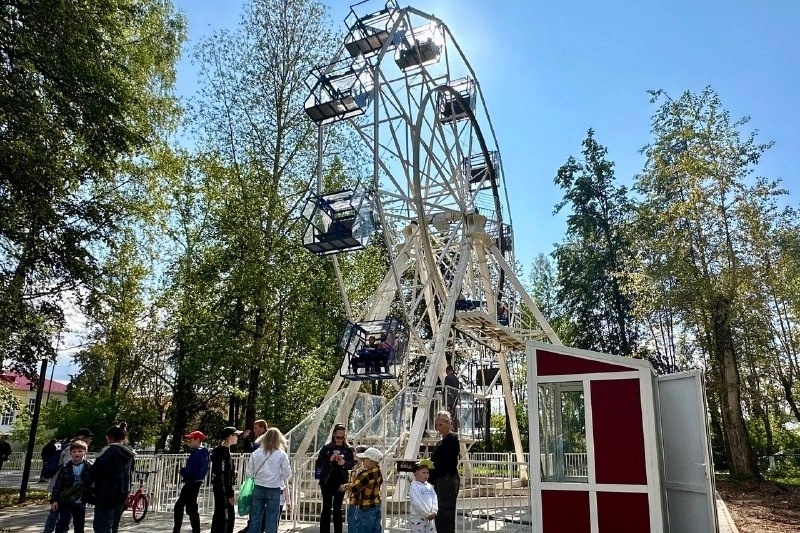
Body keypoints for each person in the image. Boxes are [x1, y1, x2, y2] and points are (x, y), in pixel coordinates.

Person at [44, 428, 94, 533]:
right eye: (74, 452)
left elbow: (92, 483)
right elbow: (58, 484)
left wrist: (92, 497)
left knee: (79, 525)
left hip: (79, 501)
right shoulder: (66, 466)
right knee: (62, 522)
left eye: (80, 451)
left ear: (85, 452)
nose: (77, 454)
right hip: (65, 499)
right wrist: (54, 499)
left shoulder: (88, 466)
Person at [91, 422, 135, 533]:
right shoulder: (128, 453)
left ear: (109, 437)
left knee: (102, 523)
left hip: (106, 491)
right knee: (114, 522)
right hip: (123, 490)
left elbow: (96, 470)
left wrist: (87, 483)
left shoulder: (108, 451)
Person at [246, 427, 292, 533]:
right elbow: (287, 473)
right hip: (274, 488)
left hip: (258, 487)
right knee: (272, 518)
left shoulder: (256, 453)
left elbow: (249, 473)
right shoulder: (281, 454)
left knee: (255, 518)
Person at [314, 423, 355, 533]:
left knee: (337, 508)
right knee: (326, 508)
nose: (339, 440)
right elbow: (319, 462)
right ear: (333, 435)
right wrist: (330, 460)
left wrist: (344, 463)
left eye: (342, 438)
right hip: (327, 482)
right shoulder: (327, 448)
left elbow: (353, 463)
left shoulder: (347, 449)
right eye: (337, 437)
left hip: (340, 482)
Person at [339, 447, 383, 533]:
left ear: (370, 461)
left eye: (364, 459)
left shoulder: (366, 474)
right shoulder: (378, 472)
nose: (362, 461)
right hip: (375, 506)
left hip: (365, 508)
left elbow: (355, 487)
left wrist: (344, 487)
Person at [173, 430, 210, 533]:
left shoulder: (198, 452)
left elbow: (192, 469)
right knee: (191, 508)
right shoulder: (203, 452)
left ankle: (177, 530)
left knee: (179, 506)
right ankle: (195, 530)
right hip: (196, 481)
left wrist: (182, 471)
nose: (189, 441)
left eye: (191, 439)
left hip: (192, 481)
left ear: (197, 440)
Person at [429, 411, 459, 533]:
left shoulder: (452, 439)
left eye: (440, 425)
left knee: (445, 514)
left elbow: (447, 461)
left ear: (448, 423)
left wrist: (433, 467)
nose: (438, 428)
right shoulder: (441, 442)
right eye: (437, 425)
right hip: (440, 480)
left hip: (447, 479)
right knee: (440, 514)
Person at [238, 419, 269, 533]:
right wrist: (246, 440)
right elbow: (252, 450)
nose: (255, 430)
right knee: (255, 503)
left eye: (257, 428)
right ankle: (252, 526)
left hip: (263, 476)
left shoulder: (266, 439)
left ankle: (257, 527)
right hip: (257, 475)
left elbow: (254, 451)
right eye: (254, 428)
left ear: (263, 428)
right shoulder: (258, 440)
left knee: (259, 504)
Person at [211, 427, 242, 533]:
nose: (237, 437)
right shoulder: (222, 452)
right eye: (235, 435)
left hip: (221, 488)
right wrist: (229, 494)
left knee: (221, 515)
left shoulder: (224, 451)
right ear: (229, 436)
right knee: (226, 516)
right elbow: (223, 474)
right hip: (223, 489)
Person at [408, 458, 438, 533]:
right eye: (423, 473)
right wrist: (426, 514)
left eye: (427, 473)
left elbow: (434, 498)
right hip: (418, 518)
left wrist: (434, 511)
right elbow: (416, 502)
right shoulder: (414, 487)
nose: (426, 475)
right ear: (416, 474)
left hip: (430, 518)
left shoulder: (429, 486)